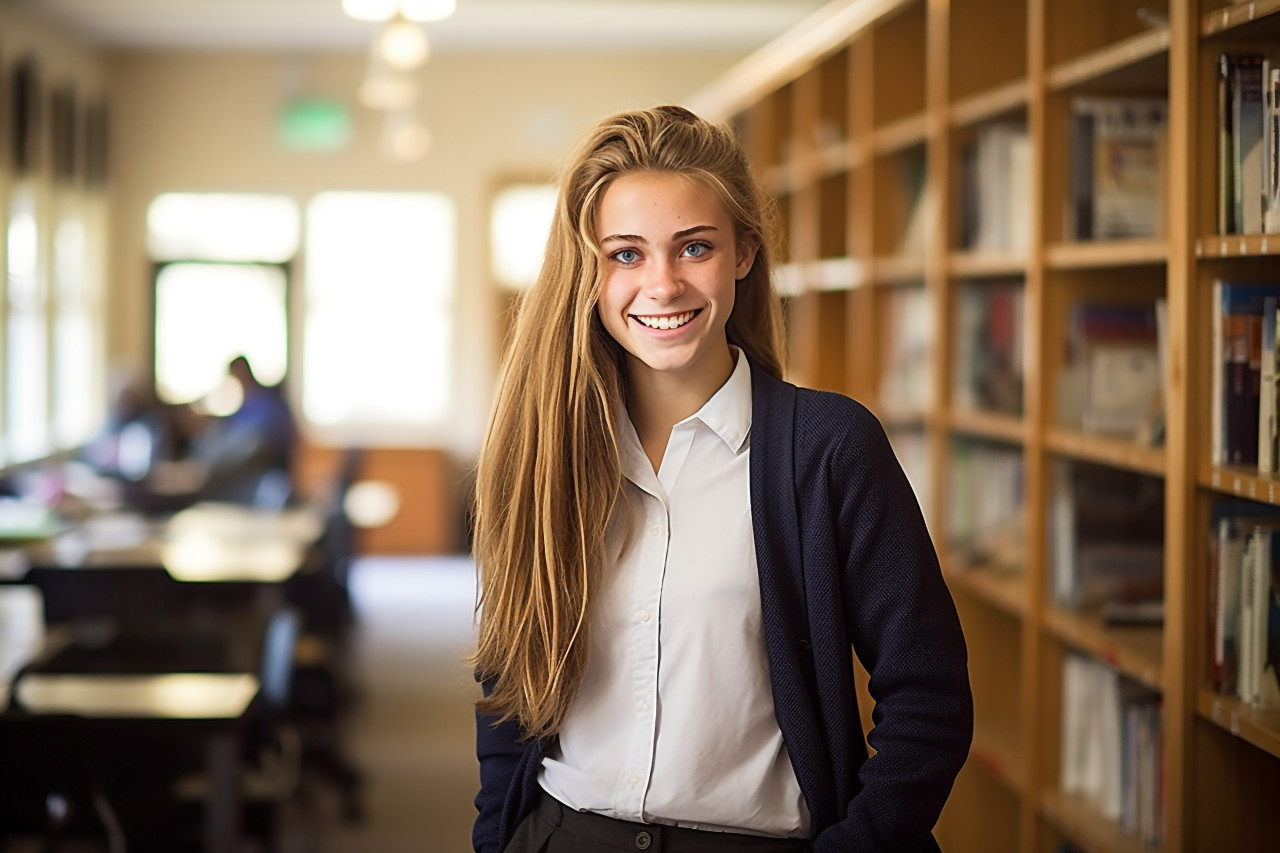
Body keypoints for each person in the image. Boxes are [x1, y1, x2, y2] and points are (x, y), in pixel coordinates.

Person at [470, 105, 972, 853]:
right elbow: (510, 683)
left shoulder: (828, 449)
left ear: (744, 252)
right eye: (626, 254)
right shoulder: (545, 451)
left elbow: (927, 697)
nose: (662, 284)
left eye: (693, 247)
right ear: (590, 272)